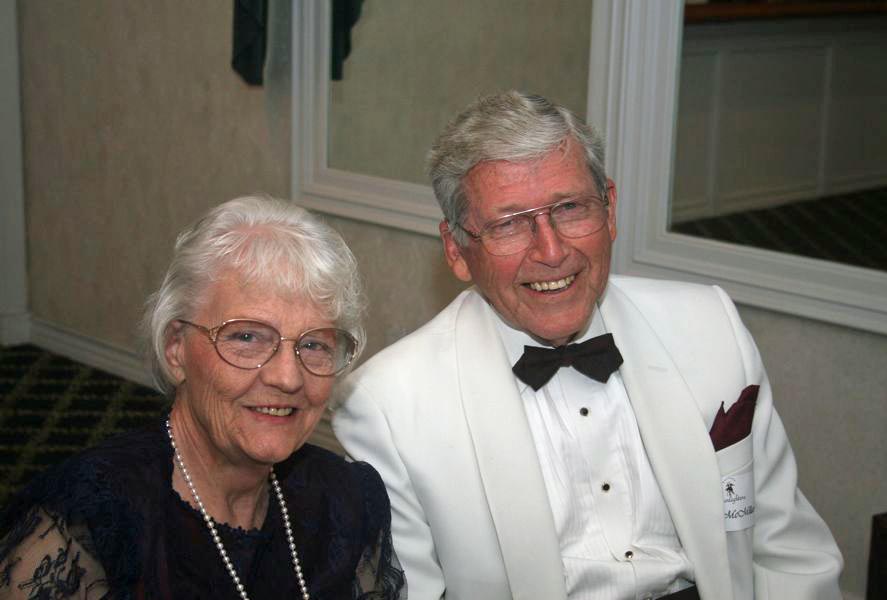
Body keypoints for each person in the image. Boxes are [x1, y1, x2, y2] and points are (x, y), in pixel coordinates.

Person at [332, 91, 843, 600]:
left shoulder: (711, 325)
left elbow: (788, 552)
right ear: (457, 250)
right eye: (508, 224)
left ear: (610, 209)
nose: (552, 251)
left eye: (570, 207)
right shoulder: (386, 406)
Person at [0, 195, 406, 599]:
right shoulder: (86, 526)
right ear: (176, 349)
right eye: (246, 337)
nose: (287, 377)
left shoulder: (346, 500)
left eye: (314, 344)